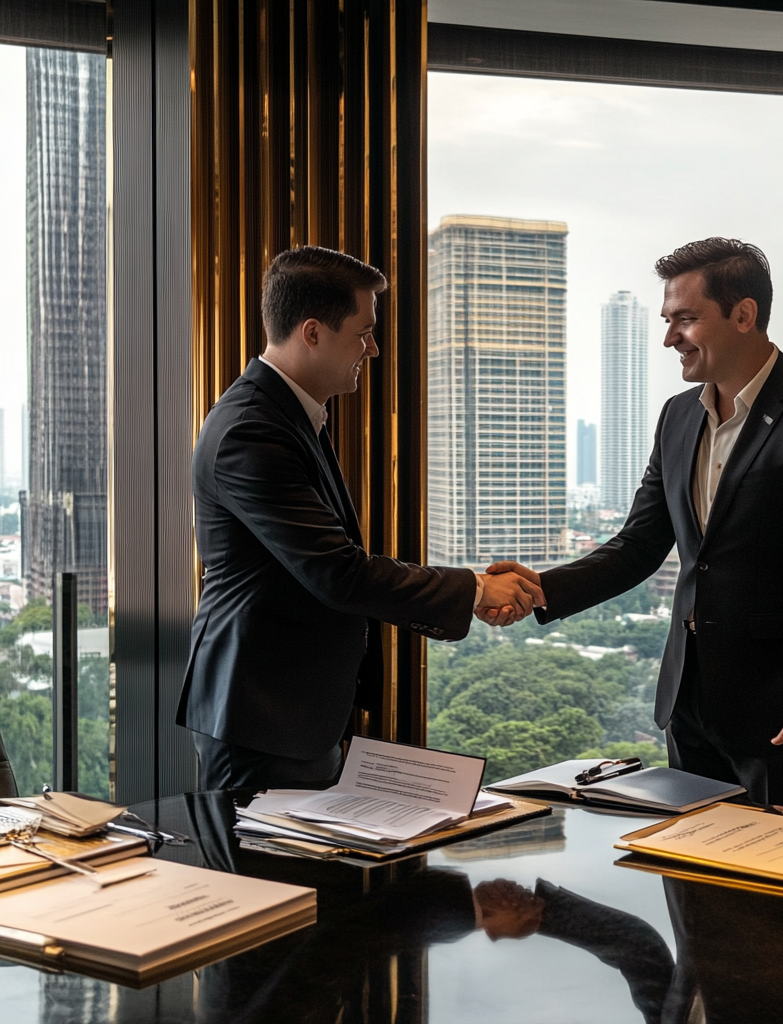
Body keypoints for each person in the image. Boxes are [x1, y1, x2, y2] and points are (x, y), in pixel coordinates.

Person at [488, 238, 783, 810]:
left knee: (776, 864)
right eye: (668, 320)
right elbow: (638, 545)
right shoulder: (676, 416)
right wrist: (543, 587)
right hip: (686, 701)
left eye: (685, 319)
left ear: (743, 315)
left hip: (780, 713)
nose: (670, 338)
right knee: (690, 861)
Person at [177, 246, 543, 791]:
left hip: (291, 711)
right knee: (262, 851)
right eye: (364, 332)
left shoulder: (287, 415)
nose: (372, 349)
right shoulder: (251, 431)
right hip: (259, 715)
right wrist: (476, 588)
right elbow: (339, 572)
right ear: (313, 332)